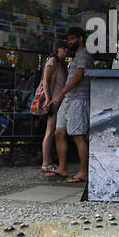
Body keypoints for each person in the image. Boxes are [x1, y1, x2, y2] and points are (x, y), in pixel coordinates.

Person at [51, 26, 91, 183]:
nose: (69, 42)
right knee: (59, 133)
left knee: (77, 136)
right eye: (68, 40)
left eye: (72, 39)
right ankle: (62, 168)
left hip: (79, 99)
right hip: (69, 99)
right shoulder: (76, 56)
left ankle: (84, 172)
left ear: (80, 39)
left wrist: (60, 94)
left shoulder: (84, 55)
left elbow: (78, 77)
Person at [39, 41, 69, 173]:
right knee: (50, 131)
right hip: (53, 101)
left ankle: (49, 160)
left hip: (60, 101)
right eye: (64, 48)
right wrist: (48, 98)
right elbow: (45, 80)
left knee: (54, 132)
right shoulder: (52, 61)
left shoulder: (63, 63)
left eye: (68, 48)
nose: (66, 50)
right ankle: (45, 162)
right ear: (58, 49)